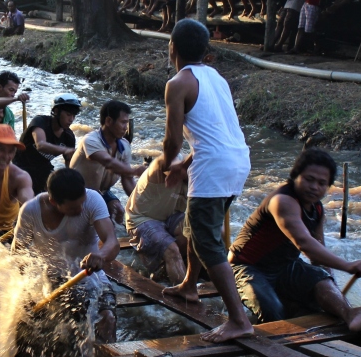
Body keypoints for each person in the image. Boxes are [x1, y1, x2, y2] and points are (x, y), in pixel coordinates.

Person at [159, 19, 253, 343]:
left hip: (213, 166)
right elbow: (214, 133)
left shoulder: (177, 84)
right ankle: (189, 285)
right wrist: (184, 166)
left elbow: (172, 141)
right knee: (198, 228)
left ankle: (239, 319)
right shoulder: (217, 78)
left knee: (207, 241)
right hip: (237, 160)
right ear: (205, 52)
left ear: (172, 47)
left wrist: (166, 163)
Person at [230, 148, 361, 328]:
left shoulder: (318, 210)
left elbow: (318, 251)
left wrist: (333, 290)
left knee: (322, 281)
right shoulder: (282, 201)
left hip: (284, 266)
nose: (315, 187)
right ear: (295, 176)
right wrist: (347, 266)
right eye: (309, 179)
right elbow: (305, 244)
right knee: (273, 311)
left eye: (322, 183)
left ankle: (350, 314)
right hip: (247, 267)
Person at [12, 168, 120, 344]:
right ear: (53, 201)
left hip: (91, 278)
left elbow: (112, 242)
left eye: (81, 203)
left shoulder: (93, 199)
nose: (80, 209)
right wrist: (25, 295)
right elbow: (17, 258)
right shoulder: (30, 211)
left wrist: (100, 255)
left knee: (108, 318)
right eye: (72, 208)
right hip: (50, 283)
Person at [69, 100, 145, 224]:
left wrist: (141, 203)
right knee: (97, 224)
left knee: (118, 210)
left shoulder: (124, 145)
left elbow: (127, 178)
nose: (126, 127)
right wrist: (136, 170)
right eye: (123, 122)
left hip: (101, 192)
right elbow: (107, 162)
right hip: (76, 194)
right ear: (109, 121)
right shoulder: (90, 140)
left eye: (127, 123)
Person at [125, 156, 188, 285]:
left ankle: (169, 270)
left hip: (170, 217)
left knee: (197, 235)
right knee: (172, 249)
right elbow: (165, 162)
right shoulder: (161, 167)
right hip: (141, 219)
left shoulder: (199, 179)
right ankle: (184, 295)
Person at [14, 94, 80, 194]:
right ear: (56, 111)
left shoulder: (69, 137)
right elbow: (40, 145)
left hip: (42, 170)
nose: (71, 119)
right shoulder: (40, 122)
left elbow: (69, 164)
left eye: (74, 116)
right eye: (68, 114)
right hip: (20, 166)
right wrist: (64, 150)